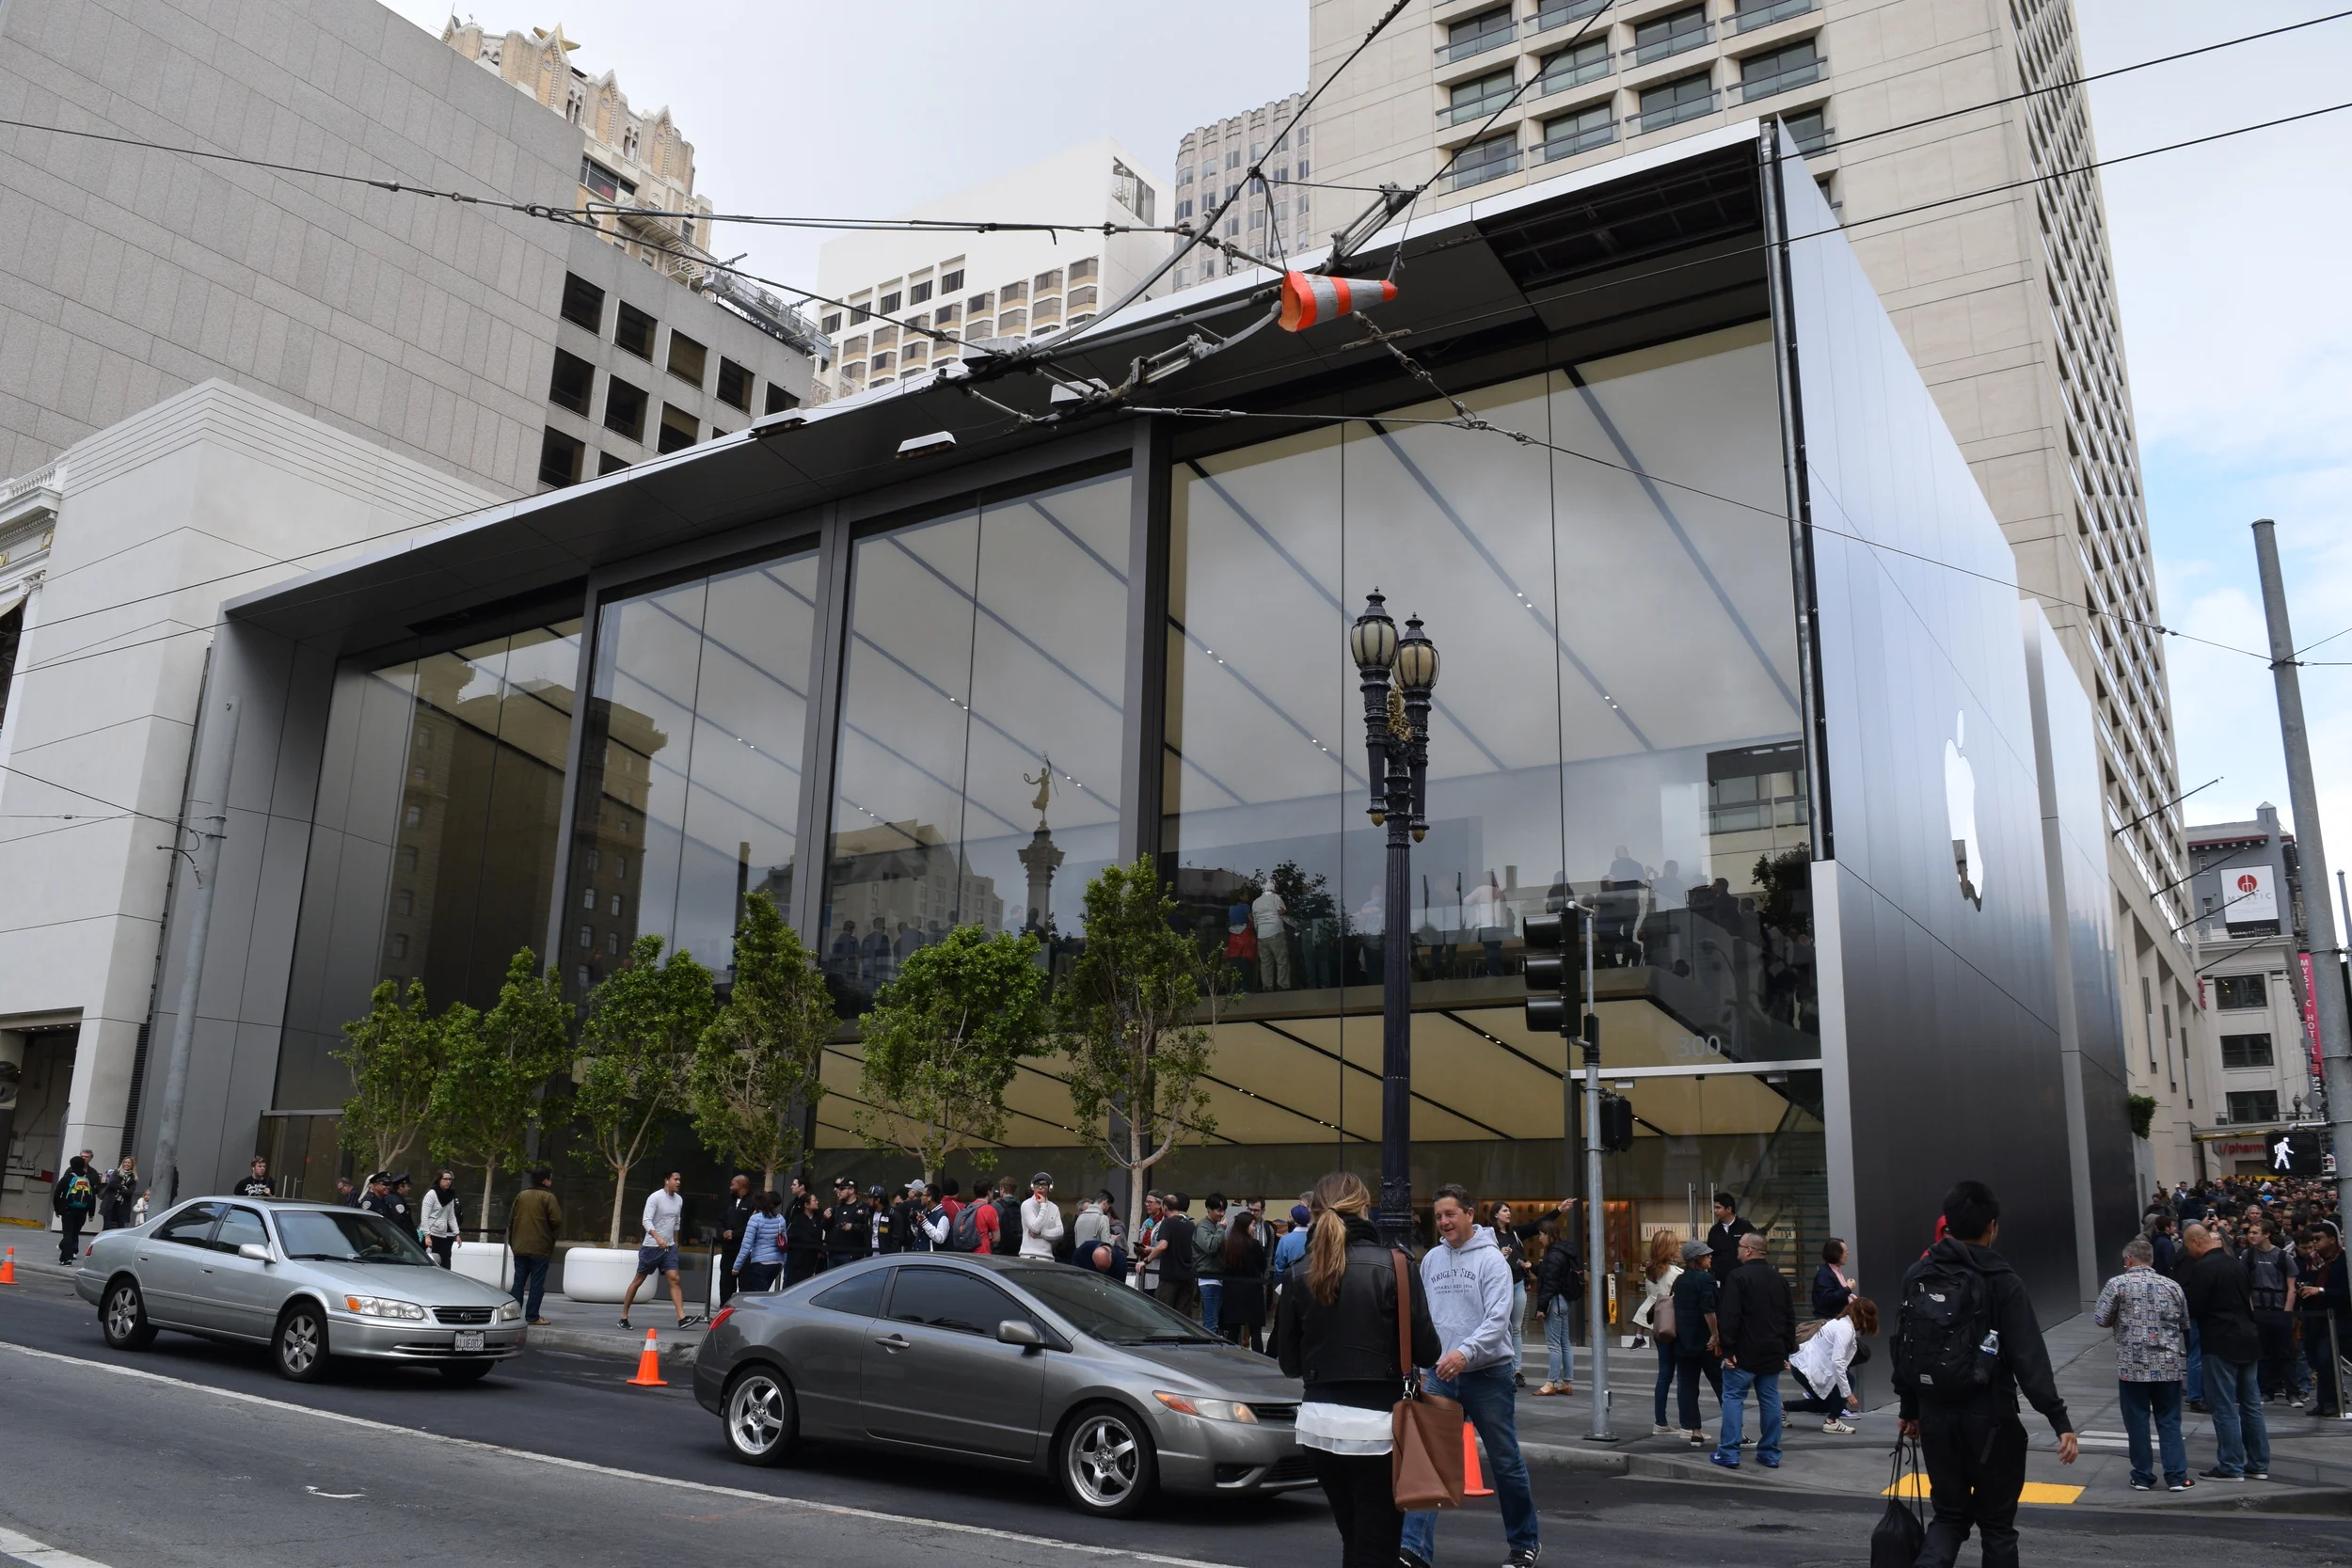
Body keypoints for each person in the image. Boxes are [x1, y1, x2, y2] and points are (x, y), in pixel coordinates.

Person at [1895, 1180, 2077, 1568]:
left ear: (1947, 1224)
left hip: (1935, 1416)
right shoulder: (2002, 1280)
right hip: (1991, 1419)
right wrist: (2058, 1419)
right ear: (1992, 1226)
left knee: (1948, 1517)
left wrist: (1910, 1408)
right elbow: (2029, 1356)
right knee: (1997, 1527)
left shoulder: (1918, 1274)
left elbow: (1906, 1347)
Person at [1275, 1172, 1439, 1568]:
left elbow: (1288, 1363)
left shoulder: (1299, 1271)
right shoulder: (1396, 1265)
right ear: (1364, 1207)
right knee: (1377, 1547)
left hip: (1318, 1424)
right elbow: (1428, 1351)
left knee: (1354, 1540)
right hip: (1379, 1428)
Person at [1399, 1184, 1538, 1568]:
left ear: (1470, 1214)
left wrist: (1465, 1353)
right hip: (1441, 1376)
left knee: (1505, 1462)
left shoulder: (1492, 1261)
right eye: (1438, 1216)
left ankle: (1524, 1543)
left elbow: (1498, 1321)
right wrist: (1424, 1368)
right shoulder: (1431, 1260)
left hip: (1488, 1376)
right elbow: (1425, 1319)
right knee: (1430, 1461)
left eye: (1450, 1214)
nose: (1444, 1222)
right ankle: (1414, 1549)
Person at [2092, 1236, 2190, 1492]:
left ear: (2128, 1259)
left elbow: (2101, 1319)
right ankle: (2177, 1476)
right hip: (2167, 1366)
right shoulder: (2172, 1286)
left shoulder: (2117, 1284)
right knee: (2169, 1421)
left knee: (2137, 1421)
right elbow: (2184, 1323)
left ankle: (2142, 1476)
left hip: (2132, 1367)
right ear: (2151, 1259)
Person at [2179, 1221, 2268, 1480]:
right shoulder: (2235, 1263)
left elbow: (2194, 1307)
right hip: (2247, 1338)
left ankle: (2231, 1464)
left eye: (2187, 1246)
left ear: (2196, 1241)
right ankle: (2259, 1463)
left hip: (2220, 1341)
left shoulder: (2203, 1268)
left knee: (2224, 1405)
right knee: (2251, 1405)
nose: (2188, 1252)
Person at [1711, 1230, 1795, 1469]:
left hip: (1743, 1352)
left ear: (1749, 1250)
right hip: (1772, 1351)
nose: (1737, 1249)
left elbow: (1730, 1315)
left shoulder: (1737, 1277)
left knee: (1733, 1398)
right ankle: (1769, 1452)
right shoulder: (1779, 1279)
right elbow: (1789, 1317)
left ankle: (1729, 1451)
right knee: (1770, 1399)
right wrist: (1787, 1351)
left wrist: (1727, 1349)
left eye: (1739, 1245)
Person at [618, 1171, 701, 1330]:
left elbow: (676, 1222)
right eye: (675, 1179)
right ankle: (623, 1317)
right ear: (667, 1180)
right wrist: (657, 1238)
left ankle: (682, 1318)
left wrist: (675, 1243)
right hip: (651, 1247)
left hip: (669, 1248)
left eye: (680, 1179)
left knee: (674, 1278)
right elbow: (646, 1221)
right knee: (638, 1281)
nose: (678, 1182)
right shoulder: (655, 1198)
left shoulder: (679, 1200)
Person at [1786, 1295, 1876, 1434]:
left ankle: (1782, 1407)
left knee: (1824, 1404)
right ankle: (1832, 1422)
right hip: (1806, 1368)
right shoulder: (1845, 1328)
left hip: (1804, 1366)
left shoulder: (1842, 1322)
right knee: (1849, 1379)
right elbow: (1837, 1363)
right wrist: (1847, 1393)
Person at [1670, 1239, 1724, 1443]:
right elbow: (1709, 1310)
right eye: (1706, 1255)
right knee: (1722, 1385)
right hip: (1705, 1341)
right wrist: (1715, 1334)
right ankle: (1736, 1430)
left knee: (1688, 1386)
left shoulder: (1680, 1280)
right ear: (1697, 1259)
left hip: (1683, 1340)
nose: (1710, 1258)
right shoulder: (1706, 1279)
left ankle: (1695, 1431)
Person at [2241, 1218, 2299, 1401]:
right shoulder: (2248, 1255)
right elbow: (2246, 1285)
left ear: (2266, 1234)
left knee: (2286, 1353)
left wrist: (2287, 1313)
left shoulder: (2283, 1257)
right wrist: (2251, 1311)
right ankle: (2267, 1391)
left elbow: (2292, 1287)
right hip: (2258, 1310)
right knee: (2262, 1353)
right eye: (2250, 1232)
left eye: (2255, 1233)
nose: (2251, 1236)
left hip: (2279, 1310)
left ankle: (2292, 1392)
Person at [1633, 1227, 1684, 1434]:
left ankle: (1660, 1420)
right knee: (1684, 1377)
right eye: (1676, 1245)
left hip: (1659, 1326)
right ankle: (1687, 1422)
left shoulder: (1651, 1273)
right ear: (1668, 1249)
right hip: (1677, 1327)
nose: (1680, 1247)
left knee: (1664, 1374)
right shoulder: (1677, 1274)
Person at [2296, 1224, 2347, 1416]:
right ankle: (2323, 1402)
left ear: (2332, 1240)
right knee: (2314, 1358)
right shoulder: (2312, 1261)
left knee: (2326, 1359)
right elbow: (2303, 1279)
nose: (2315, 1242)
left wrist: (2321, 1291)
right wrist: (2303, 1288)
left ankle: (2331, 1402)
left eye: (2319, 1238)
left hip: (2336, 1318)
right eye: (2313, 1239)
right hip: (2314, 1317)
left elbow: (2346, 1292)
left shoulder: (2343, 1261)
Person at [1533, 1209, 1584, 1397]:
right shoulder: (1564, 1252)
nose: (1540, 1238)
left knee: (1554, 1344)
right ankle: (1567, 1382)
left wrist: (1541, 1307)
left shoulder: (1553, 1255)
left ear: (1548, 1235)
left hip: (1554, 1301)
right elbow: (1552, 1275)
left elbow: (1550, 1283)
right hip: (1564, 1300)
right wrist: (1534, 1267)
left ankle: (1550, 1383)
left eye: (1541, 1235)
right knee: (1565, 1343)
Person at [506, 1169, 562, 1325]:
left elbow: (511, 1220)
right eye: (550, 1179)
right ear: (545, 1181)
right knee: (537, 1284)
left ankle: (513, 1315)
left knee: (518, 1282)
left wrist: (513, 1242)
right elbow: (557, 1221)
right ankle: (532, 1316)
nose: (551, 1182)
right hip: (540, 1248)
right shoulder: (548, 1197)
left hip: (520, 1247)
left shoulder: (521, 1195)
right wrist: (551, 1238)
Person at [1490, 1201, 1532, 1386]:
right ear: (1496, 1214)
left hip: (1518, 1282)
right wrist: (1499, 1253)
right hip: (1500, 1285)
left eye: (1509, 1210)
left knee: (1515, 1329)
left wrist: (1559, 1210)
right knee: (1501, 1326)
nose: (1509, 1213)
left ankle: (1516, 1370)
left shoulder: (1515, 1233)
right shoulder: (1489, 1235)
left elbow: (1535, 1226)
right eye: (1505, 1210)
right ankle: (1501, 1367)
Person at [1153, 1194, 1200, 1318]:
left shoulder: (1167, 1223)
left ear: (1165, 1207)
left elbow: (1162, 1246)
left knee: (1163, 1315)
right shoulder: (1190, 1224)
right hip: (1188, 1276)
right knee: (1182, 1318)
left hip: (1170, 1277)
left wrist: (1146, 1260)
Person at [734, 1191, 787, 1292]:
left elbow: (746, 1245)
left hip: (760, 1261)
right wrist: (783, 1262)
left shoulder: (755, 1219)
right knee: (763, 1291)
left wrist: (736, 1266)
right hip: (776, 1262)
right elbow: (784, 1243)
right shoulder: (780, 1219)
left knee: (757, 1294)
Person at [716, 1174, 756, 1300]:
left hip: (744, 1250)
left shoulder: (753, 1201)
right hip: (728, 1250)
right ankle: (725, 1308)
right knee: (726, 1283)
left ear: (741, 1185)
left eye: (733, 1184)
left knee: (745, 1284)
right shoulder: (728, 1201)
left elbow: (752, 1224)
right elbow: (720, 1221)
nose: (730, 1187)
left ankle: (743, 1309)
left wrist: (734, 1234)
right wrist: (723, 1233)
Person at [51, 1154, 97, 1263]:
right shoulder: (88, 1179)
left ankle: (66, 1259)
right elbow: (92, 1197)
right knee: (74, 1233)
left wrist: (57, 1209)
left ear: (71, 1165)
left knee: (68, 1234)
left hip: (68, 1209)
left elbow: (57, 1194)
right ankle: (66, 1252)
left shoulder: (67, 1178)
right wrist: (91, 1213)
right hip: (82, 1211)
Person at [1194, 1195, 1229, 1329]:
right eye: (1219, 1210)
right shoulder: (1203, 1227)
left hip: (1216, 1277)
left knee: (1213, 1320)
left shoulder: (1214, 1226)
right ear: (1209, 1209)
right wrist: (1221, 1229)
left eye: (1224, 1210)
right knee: (1211, 1322)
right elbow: (1211, 1247)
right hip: (1208, 1278)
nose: (1222, 1214)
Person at [1707, 1191, 1756, 1286]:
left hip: (1744, 1280)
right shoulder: (1714, 1230)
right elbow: (1711, 1256)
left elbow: (1754, 1252)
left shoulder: (1745, 1227)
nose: (1715, 1211)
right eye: (1714, 1208)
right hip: (1721, 1282)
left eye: (1718, 1208)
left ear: (1729, 1209)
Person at [821, 1176, 869, 1270]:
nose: (839, 1191)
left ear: (851, 1190)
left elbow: (868, 1229)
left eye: (842, 1189)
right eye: (838, 1188)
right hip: (833, 1253)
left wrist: (853, 1227)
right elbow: (826, 1228)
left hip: (851, 1255)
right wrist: (826, 1219)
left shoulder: (863, 1208)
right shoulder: (837, 1207)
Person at [1252, 880, 1291, 990]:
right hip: (1275, 931)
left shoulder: (1256, 902)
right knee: (1281, 960)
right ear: (1272, 887)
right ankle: (1282, 985)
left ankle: (1267, 986)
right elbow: (1281, 911)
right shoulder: (1275, 897)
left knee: (1265, 963)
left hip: (1261, 934)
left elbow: (1255, 920)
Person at [420, 1171, 462, 1268]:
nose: (448, 1182)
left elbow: (451, 1216)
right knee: (430, 1264)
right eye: (445, 1179)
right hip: (431, 1234)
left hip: (443, 1235)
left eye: (450, 1179)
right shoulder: (431, 1194)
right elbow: (424, 1216)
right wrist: (427, 1235)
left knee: (445, 1264)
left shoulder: (450, 1195)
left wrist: (457, 1233)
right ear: (439, 1180)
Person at [1020, 1171, 1064, 1260]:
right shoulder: (1026, 1205)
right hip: (1029, 1256)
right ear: (1033, 1187)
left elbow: (1060, 1232)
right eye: (1037, 1184)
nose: (1040, 1187)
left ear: (1049, 1188)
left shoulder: (1054, 1207)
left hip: (1048, 1257)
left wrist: (1041, 1234)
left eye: (1043, 1184)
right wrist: (1043, 1206)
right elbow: (1035, 1228)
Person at [784, 1189, 825, 1285]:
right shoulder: (797, 1219)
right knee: (793, 1281)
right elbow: (802, 1237)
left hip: (812, 1257)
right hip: (798, 1256)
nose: (817, 1202)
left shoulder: (818, 1217)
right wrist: (819, 1246)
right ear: (806, 1205)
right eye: (814, 1201)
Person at [1814, 1238, 1856, 1320]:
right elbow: (1828, 1298)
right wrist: (1848, 1288)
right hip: (1829, 1321)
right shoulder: (1824, 1274)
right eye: (1845, 1252)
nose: (1847, 1254)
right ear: (1836, 1254)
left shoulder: (1835, 1271)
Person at [1271, 1201, 1311, 1286]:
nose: (1287, 1220)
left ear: (1296, 1222)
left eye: (1289, 1217)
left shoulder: (1285, 1240)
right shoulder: (1316, 1237)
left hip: (1291, 1283)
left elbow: (1279, 1267)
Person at [99, 1157, 140, 1231]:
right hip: (110, 1202)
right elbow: (111, 1184)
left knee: (121, 1225)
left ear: (132, 1165)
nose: (126, 1164)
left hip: (122, 1204)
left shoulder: (133, 1177)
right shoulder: (116, 1172)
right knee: (107, 1225)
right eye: (125, 1162)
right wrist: (123, 1187)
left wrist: (119, 1190)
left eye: (129, 1163)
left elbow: (130, 1192)